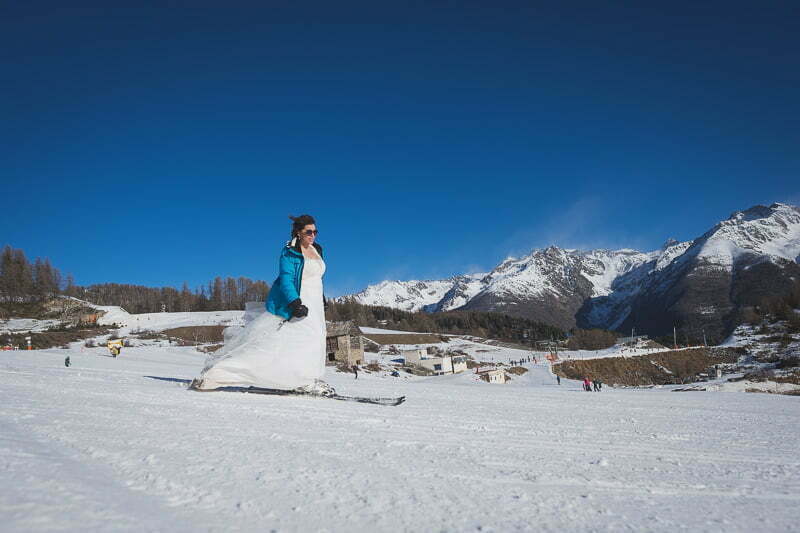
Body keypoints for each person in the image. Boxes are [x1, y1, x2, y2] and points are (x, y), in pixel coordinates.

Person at [191, 215, 333, 395]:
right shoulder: (289, 251)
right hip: (298, 300)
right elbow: (287, 279)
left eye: (315, 231)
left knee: (315, 338)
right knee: (289, 340)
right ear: (299, 232)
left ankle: (305, 379)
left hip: (314, 304)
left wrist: (322, 298)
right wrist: (295, 302)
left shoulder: (317, 249)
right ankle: (218, 374)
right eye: (309, 232)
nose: (313, 235)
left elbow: (317, 278)